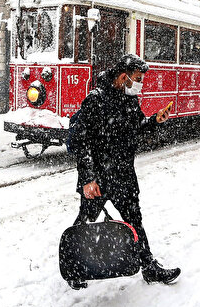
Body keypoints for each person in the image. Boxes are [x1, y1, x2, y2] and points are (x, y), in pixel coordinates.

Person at [66, 53, 179, 290]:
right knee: (85, 222)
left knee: (135, 222)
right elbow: (80, 142)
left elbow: (136, 129)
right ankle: (74, 269)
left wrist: (155, 121)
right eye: (137, 79)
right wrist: (88, 179)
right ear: (123, 76)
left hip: (123, 176)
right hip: (98, 178)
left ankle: (149, 267)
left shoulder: (129, 100)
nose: (140, 84)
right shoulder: (96, 100)